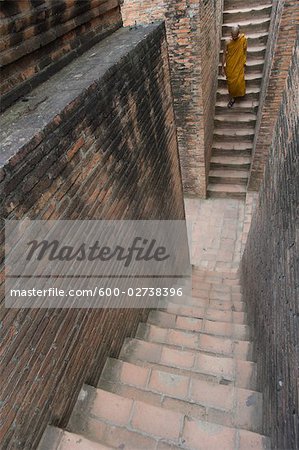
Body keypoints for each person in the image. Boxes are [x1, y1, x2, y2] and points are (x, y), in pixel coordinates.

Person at [222, 25, 247, 108]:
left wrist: (244, 62)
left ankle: (239, 94)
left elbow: (244, 51)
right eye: (232, 35)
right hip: (231, 65)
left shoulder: (243, 39)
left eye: (235, 36)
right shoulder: (227, 41)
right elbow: (224, 55)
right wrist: (222, 67)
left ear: (239, 34)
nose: (234, 38)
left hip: (239, 64)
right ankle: (232, 98)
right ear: (230, 34)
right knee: (231, 82)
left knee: (239, 81)